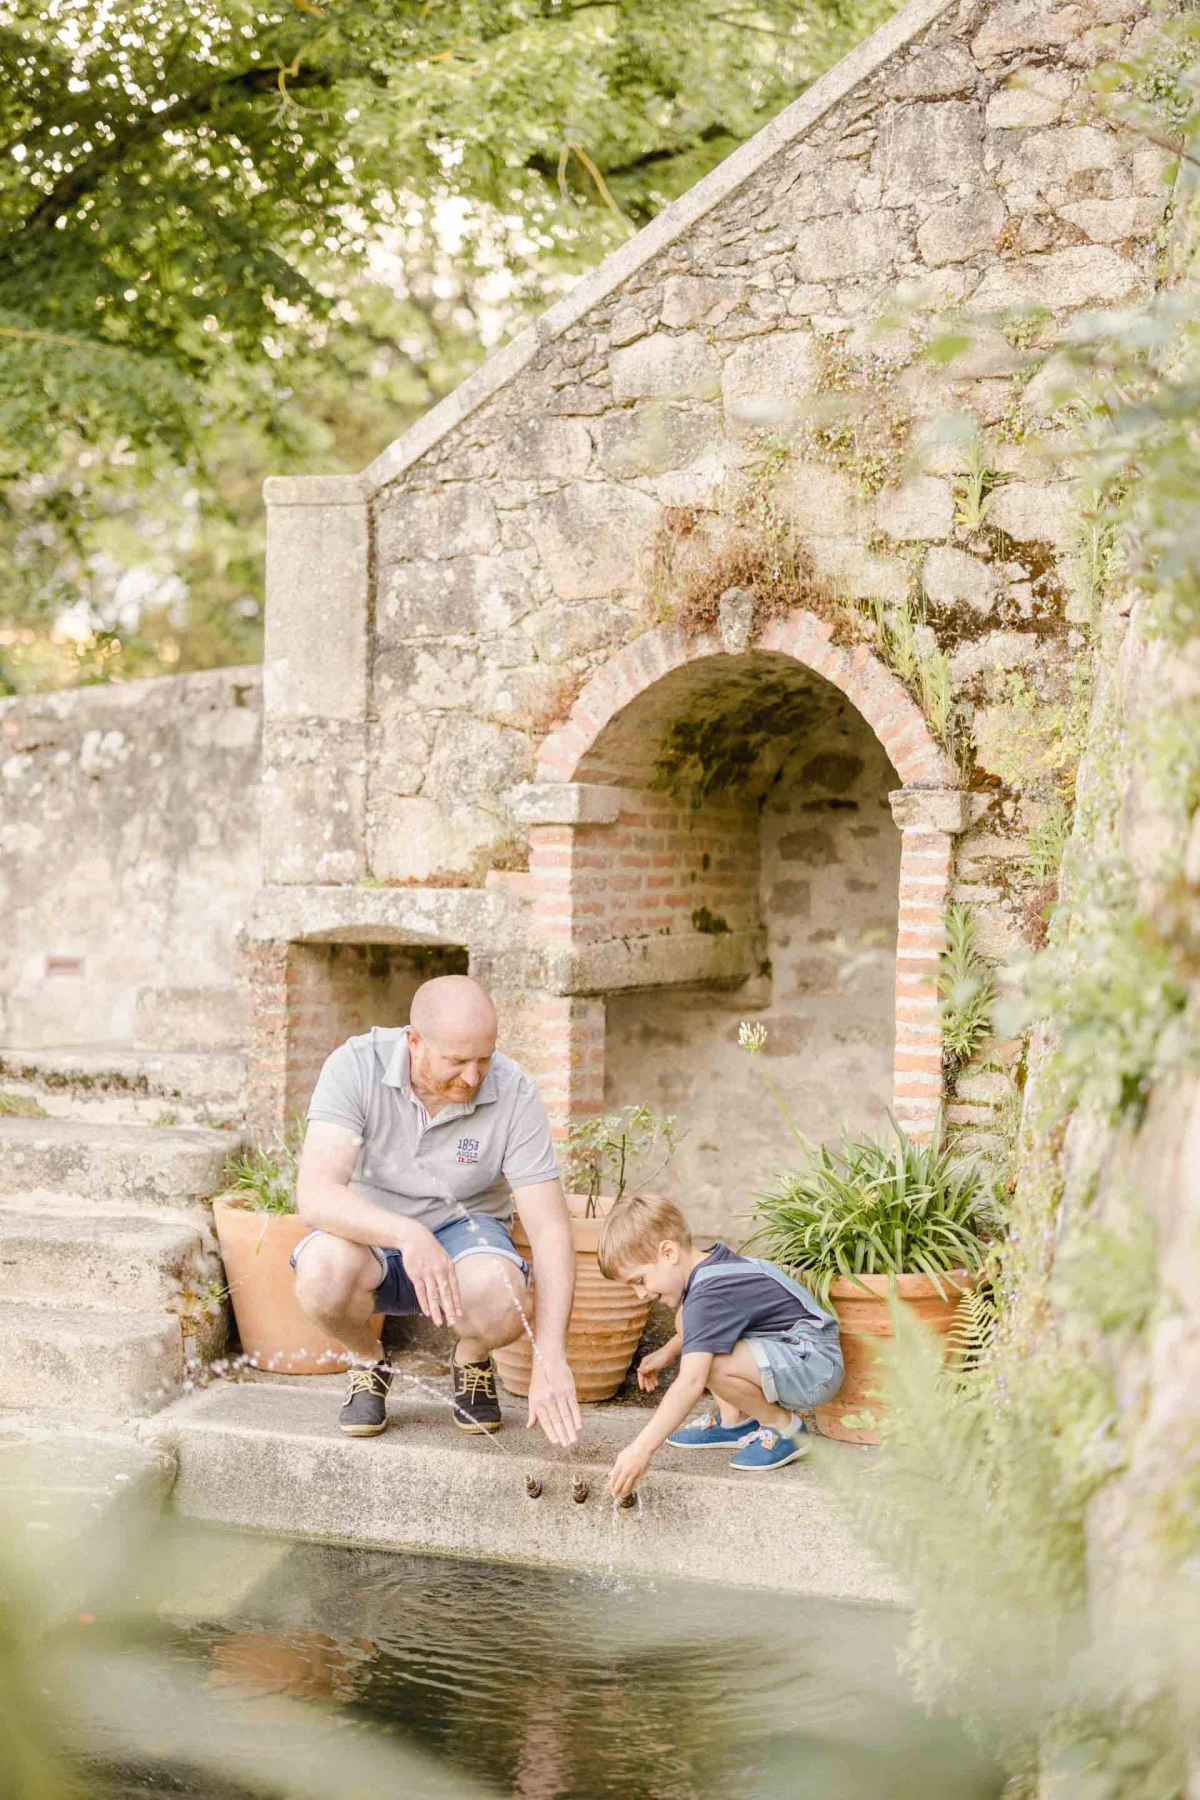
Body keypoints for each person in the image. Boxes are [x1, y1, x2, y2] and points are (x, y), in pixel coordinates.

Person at [291, 974, 581, 1447]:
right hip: (373, 1235)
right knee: (321, 1271)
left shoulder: (513, 1091)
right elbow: (317, 1194)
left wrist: (551, 1356)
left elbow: (549, 1230)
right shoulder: (355, 1067)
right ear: (414, 1042)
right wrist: (407, 1234)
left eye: (483, 1059)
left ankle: (471, 1359)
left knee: (504, 1294)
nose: (472, 1077)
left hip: (467, 1232)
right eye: (457, 1061)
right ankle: (368, 1359)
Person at [599, 1194, 843, 1494]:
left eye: (639, 1281)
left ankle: (786, 1429)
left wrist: (640, 1450)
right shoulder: (709, 1271)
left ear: (668, 1253)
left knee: (707, 1364)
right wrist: (667, 1352)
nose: (640, 1294)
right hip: (799, 1354)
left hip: (815, 1366)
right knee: (686, 1323)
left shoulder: (708, 1296)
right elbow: (703, 1327)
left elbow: (691, 1382)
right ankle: (735, 1421)